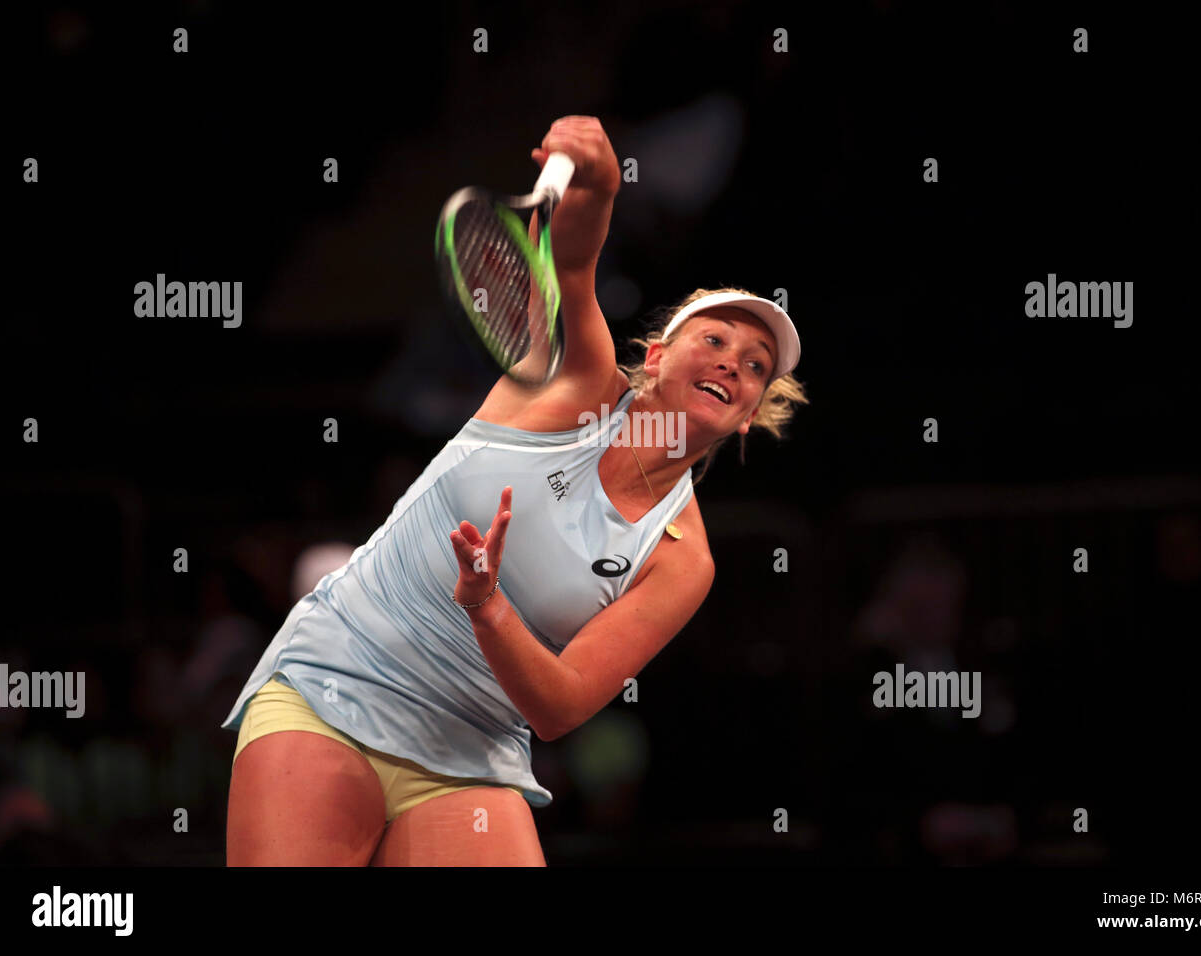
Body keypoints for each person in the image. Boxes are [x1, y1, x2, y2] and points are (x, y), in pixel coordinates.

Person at [222, 116, 809, 866]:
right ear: (657, 358)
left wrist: (489, 608)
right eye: (715, 340)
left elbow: (561, 704)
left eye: (756, 365)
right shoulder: (574, 386)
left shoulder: (683, 558)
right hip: (338, 683)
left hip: (469, 749)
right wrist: (598, 182)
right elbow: (571, 263)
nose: (733, 364)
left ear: (753, 413)